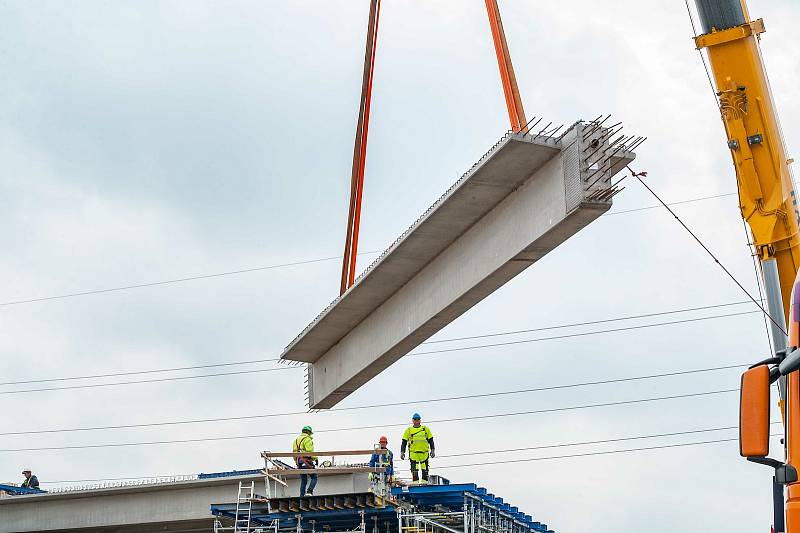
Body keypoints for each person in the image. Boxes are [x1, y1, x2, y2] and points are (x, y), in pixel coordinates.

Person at [400, 413, 434, 483]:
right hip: (413, 454)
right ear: (412, 420)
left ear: (420, 420)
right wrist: (402, 452)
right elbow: (404, 442)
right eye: (415, 419)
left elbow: (431, 440)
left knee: (425, 471)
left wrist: (432, 450)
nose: (416, 421)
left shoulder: (425, 429)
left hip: (424, 454)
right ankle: (415, 485)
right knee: (414, 471)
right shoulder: (408, 430)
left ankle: (424, 485)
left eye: (418, 419)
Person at [293, 425, 318, 497]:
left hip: (299, 462)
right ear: (309, 433)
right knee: (314, 477)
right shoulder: (307, 439)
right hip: (306, 461)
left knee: (303, 480)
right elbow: (309, 452)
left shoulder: (296, 440)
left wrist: (297, 463)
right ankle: (309, 492)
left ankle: (302, 495)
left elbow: (293, 453)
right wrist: (315, 458)